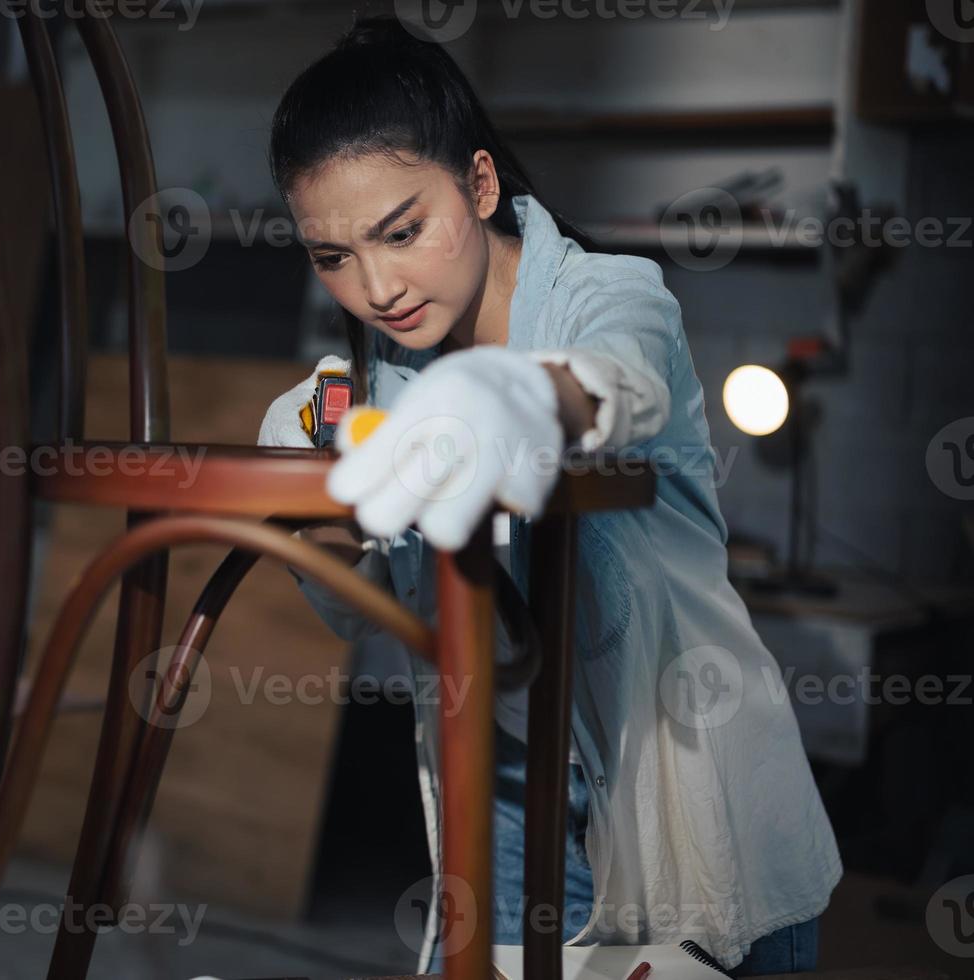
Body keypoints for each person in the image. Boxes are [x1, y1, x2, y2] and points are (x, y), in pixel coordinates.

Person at [257, 16, 840, 977]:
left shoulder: (614, 295)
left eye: (402, 231)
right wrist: (311, 499)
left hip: (690, 819)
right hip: (508, 827)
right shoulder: (373, 385)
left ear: (480, 183)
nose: (379, 286)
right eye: (333, 256)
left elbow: (617, 380)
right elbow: (357, 612)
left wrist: (525, 393)